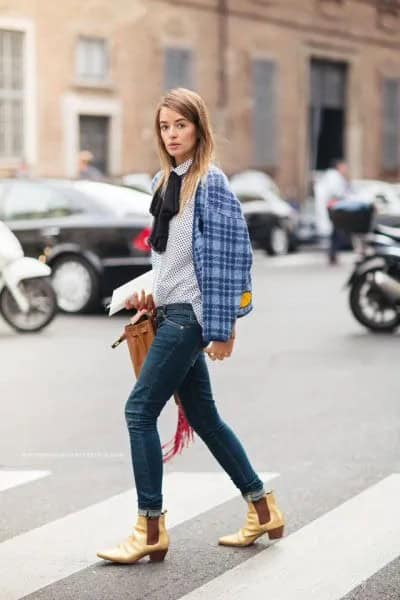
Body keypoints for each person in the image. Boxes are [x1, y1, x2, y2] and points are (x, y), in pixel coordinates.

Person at [96, 88, 285, 564]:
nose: (172, 134)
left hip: (190, 318)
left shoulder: (209, 181)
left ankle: (150, 527)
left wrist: (225, 326)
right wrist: (148, 295)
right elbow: (170, 262)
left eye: (180, 124)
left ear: (199, 128)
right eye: (165, 126)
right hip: (170, 310)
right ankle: (263, 509)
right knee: (204, 417)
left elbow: (230, 259)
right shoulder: (166, 183)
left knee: (139, 411)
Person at [314, 158, 351, 264]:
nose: (346, 169)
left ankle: (333, 254)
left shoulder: (332, 176)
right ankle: (332, 254)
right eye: (344, 167)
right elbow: (337, 193)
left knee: (336, 233)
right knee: (337, 232)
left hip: (334, 208)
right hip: (335, 208)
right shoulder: (334, 176)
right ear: (339, 166)